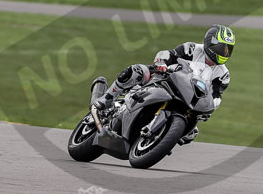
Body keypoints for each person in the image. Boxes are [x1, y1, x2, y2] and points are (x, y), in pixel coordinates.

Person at [93, 24, 235, 145]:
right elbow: (169, 54)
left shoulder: (223, 74)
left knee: (191, 133)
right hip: (165, 80)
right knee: (137, 71)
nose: (225, 52)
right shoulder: (192, 49)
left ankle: (159, 138)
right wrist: (161, 63)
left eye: (228, 49)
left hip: (188, 99)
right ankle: (107, 98)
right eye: (222, 48)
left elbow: (216, 96)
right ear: (211, 43)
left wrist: (209, 107)